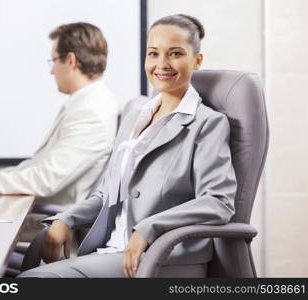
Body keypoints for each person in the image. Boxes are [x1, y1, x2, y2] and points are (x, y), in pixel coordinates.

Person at [18, 14, 237, 278]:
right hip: (109, 250)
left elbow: (218, 202)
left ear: (197, 60)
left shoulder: (207, 124)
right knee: (34, 256)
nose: (161, 64)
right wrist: (66, 218)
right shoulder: (136, 116)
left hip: (159, 258)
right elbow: (107, 195)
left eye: (175, 53)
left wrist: (149, 227)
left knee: (35, 280)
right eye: (153, 53)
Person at [0, 22, 121, 210]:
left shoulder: (92, 112)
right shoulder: (86, 103)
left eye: (53, 61)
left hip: (48, 219)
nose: (52, 70)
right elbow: (35, 166)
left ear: (71, 61)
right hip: (35, 210)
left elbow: (44, 179)